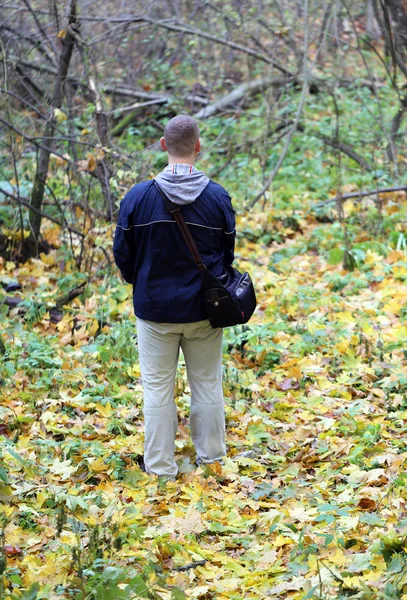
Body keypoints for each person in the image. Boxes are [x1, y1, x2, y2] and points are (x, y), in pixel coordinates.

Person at [113, 115, 236, 480]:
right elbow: (226, 256)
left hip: (154, 313)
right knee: (207, 385)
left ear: (163, 145)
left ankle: (161, 469)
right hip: (204, 311)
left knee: (157, 390)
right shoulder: (217, 198)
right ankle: (212, 460)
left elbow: (123, 254)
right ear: (198, 147)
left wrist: (142, 281)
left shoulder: (137, 198)